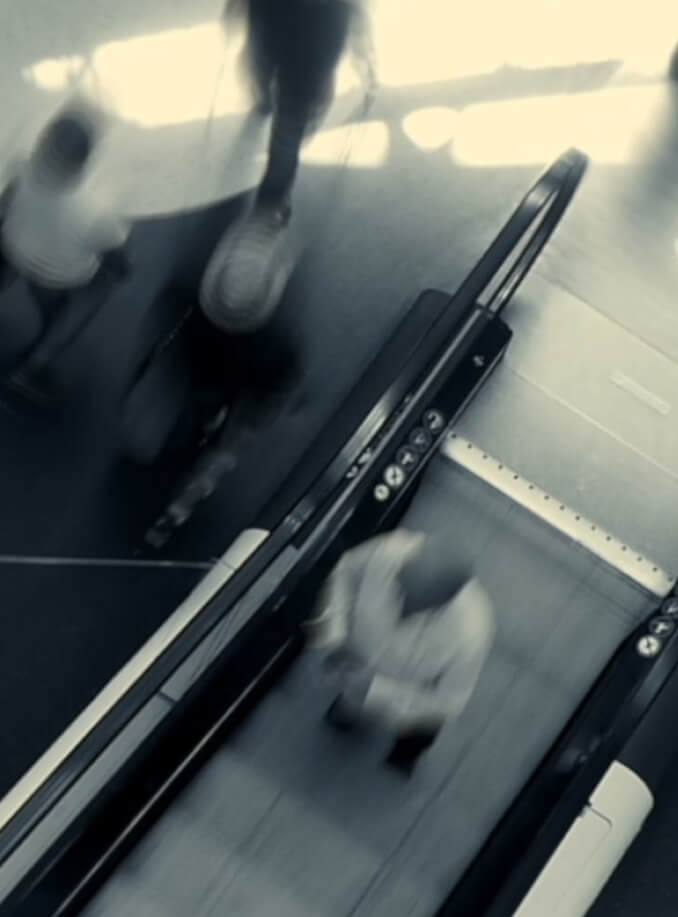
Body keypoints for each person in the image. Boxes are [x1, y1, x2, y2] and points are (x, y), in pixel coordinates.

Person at [127, 206, 305, 545]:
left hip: (193, 372)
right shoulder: (275, 340)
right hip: (239, 390)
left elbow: (163, 316)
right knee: (223, 453)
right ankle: (176, 512)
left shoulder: (189, 291)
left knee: (187, 412)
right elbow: (279, 382)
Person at [223, 0, 377, 220]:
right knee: (288, 140)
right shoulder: (339, 13)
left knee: (280, 125)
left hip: (274, 68)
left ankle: (264, 107)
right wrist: (369, 73)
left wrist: (233, 11)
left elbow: (237, 4)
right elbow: (360, 43)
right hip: (304, 83)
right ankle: (270, 203)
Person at [304, 530, 494, 774]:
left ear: (446, 601)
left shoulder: (472, 632)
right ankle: (347, 717)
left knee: (416, 736)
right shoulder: (388, 552)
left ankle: (405, 756)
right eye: (401, 588)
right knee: (347, 709)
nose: (402, 604)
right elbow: (344, 573)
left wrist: (376, 690)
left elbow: (449, 703)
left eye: (417, 604)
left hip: (411, 699)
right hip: (358, 662)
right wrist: (332, 634)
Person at [0, 102, 132, 403]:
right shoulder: (95, 209)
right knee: (95, 290)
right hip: (55, 276)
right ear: (83, 165)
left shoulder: (21, 164)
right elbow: (117, 258)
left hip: (13, 247)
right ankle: (34, 365)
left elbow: (5, 203)